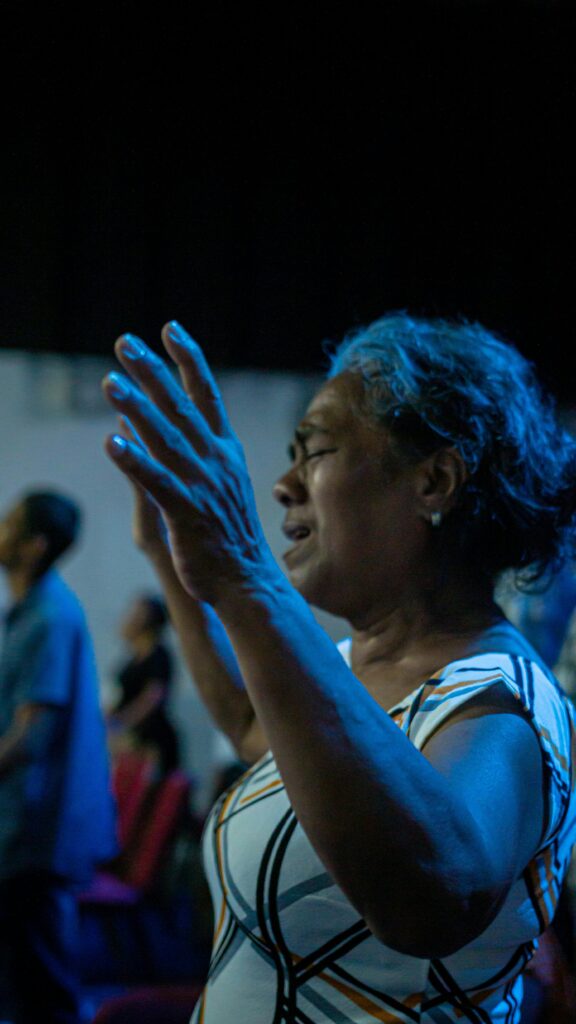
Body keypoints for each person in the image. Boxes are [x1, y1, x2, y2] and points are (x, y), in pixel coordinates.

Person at [102, 315, 576, 1023]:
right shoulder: (352, 664)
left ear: (435, 480)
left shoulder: (506, 701)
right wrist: (173, 557)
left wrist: (246, 574)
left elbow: (434, 896)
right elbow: (254, 729)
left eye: (316, 450)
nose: (284, 484)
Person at [0, 490, 117, 1024]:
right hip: (21, 827)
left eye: (9, 523)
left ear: (34, 545)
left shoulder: (50, 617)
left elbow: (29, 739)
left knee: (42, 987)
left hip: (35, 833)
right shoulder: (30, 614)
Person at [107, 593, 180, 774]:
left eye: (136, 613)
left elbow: (152, 697)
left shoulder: (159, 655)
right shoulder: (132, 659)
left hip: (150, 739)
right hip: (128, 737)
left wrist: (122, 723)